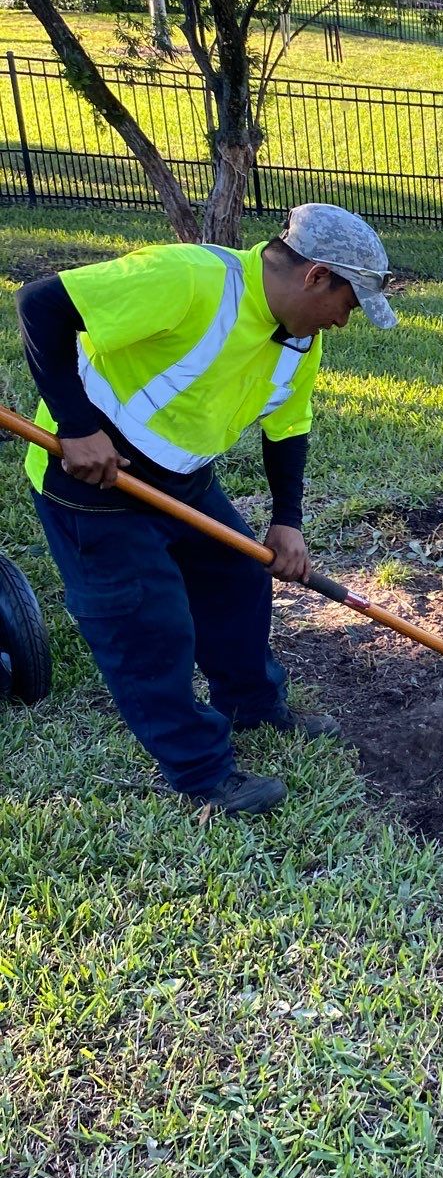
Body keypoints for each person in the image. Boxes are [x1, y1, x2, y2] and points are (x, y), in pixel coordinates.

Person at [16, 203, 398, 814]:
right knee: (147, 627)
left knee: (239, 576)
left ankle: (252, 704)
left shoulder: (299, 338)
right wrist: (77, 425)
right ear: (316, 275)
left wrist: (288, 521)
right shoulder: (192, 278)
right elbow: (40, 303)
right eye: (348, 304)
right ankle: (201, 771)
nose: (342, 322)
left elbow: (288, 428)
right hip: (97, 487)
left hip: (185, 480)